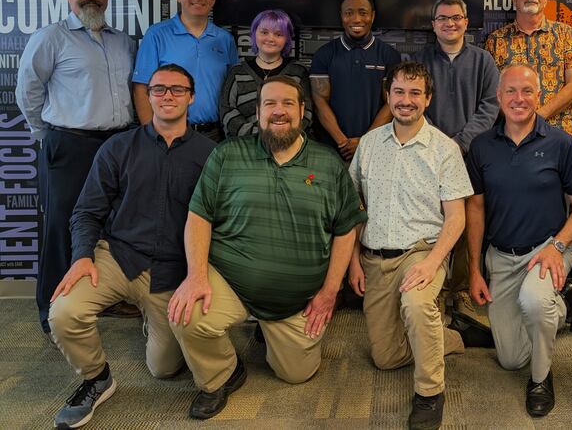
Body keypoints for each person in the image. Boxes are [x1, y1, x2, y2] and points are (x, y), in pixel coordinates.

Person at [168, 76, 366, 420]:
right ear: (258, 112)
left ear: (303, 112)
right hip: (231, 281)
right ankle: (222, 375)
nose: (279, 111)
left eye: (288, 104)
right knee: (187, 316)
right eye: (270, 104)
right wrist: (197, 276)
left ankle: (271, 333)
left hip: (295, 300)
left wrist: (329, 292)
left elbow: (346, 229)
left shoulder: (328, 163)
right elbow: (199, 217)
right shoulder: (227, 155)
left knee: (296, 374)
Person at [47, 64, 216, 429]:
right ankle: (96, 378)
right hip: (118, 256)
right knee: (64, 312)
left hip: (172, 270)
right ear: (147, 95)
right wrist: (81, 258)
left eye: (176, 89)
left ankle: (152, 321)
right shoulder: (118, 147)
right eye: (158, 89)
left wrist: (200, 275)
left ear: (191, 96)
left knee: (164, 368)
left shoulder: (211, 154)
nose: (167, 96)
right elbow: (86, 212)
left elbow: (219, 221)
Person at [348, 61, 473, 430]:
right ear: (388, 96)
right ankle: (450, 335)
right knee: (385, 357)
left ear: (427, 99)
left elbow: (456, 218)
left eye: (415, 93)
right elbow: (353, 207)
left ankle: (430, 393)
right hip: (375, 257)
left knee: (417, 306)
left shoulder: (444, 149)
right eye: (399, 92)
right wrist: (353, 261)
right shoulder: (369, 144)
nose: (406, 100)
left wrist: (433, 262)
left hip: (421, 250)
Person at [463, 64, 572, 418]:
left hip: (546, 250)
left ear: (539, 96)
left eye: (527, 91)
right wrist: (475, 269)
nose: (518, 99)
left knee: (535, 305)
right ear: (498, 96)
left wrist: (558, 245)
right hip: (502, 256)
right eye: (511, 92)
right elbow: (475, 209)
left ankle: (541, 377)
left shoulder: (561, 144)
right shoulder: (481, 146)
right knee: (510, 358)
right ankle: (564, 306)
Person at [16, 0, 137, 339]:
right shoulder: (51, 38)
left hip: (118, 143)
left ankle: (106, 296)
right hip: (69, 144)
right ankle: (50, 312)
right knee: (61, 226)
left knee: (112, 226)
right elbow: (27, 92)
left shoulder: (124, 41)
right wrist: (47, 134)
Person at [412, 0, 499, 328]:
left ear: (466, 22)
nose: (450, 23)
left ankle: (460, 289)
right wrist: (436, 142)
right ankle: (433, 283)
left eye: (456, 17)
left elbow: (491, 106)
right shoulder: (419, 61)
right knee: (430, 218)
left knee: (464, 220)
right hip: (427, 153)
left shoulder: (483, 61)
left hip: (470, 154)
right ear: (433, 24)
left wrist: (459, 142)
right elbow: (413, 104)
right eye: (443, 18)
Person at [133, 0, 238, 141]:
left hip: (216, 135)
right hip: (169, 134)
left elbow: (233, 89)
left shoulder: (225, 39)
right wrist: (151, 137)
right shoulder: (157, 35)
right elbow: (141, 88)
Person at [483, 0, 572, 138]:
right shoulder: (496, 40)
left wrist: (538, 117)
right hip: (513, 135)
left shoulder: (564, 33)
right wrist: (519, 120)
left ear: (546, 0)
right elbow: (491, 91)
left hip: (560, 133)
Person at [310, 0, 401, 160]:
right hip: (333, 150)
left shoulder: (389, 55)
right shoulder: (325, 54)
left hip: (376, 149)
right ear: (341, 16)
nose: (356, 19)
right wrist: (342, 142)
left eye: (363, 13)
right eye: (349, 13)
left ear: (372, 16)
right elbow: (319, 102)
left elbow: (391, 102)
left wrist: (364, 142)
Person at [220, 9, 313, 138]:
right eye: (264, 32)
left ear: (287, 39)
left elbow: (306, 111)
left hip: (288, 146)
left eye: (278, 34)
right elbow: (227, 110)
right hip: (246, 147)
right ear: (254, 34)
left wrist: (281, 136)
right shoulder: (237, 71)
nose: (270, 38)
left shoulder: (298, 71)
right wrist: (259, 137)